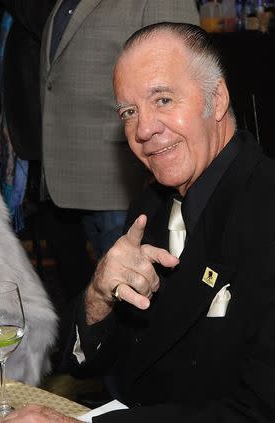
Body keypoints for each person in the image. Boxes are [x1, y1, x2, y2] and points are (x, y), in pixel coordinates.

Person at [4, 22, 275, 422]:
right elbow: (89, 363)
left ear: (216, 99)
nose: (144, 129)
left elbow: (270, 414)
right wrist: (99, 295)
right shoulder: (150, 204)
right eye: (129, 112)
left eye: (164, 100)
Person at [40, 0, 199, 261]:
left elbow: (182, 84)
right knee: (93, 292)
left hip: (127, 177)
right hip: (69, 170)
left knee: (135, 288)